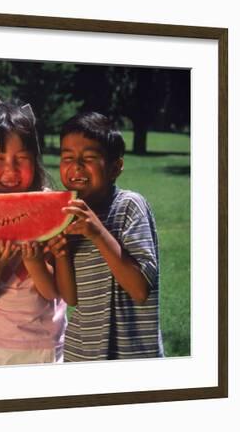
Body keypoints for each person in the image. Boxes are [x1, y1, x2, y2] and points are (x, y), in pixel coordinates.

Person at [46, 111, 164, 361]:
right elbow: (71, 297)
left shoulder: (130, 206)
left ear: (115, 168)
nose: (76, 166)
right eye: (67, 157)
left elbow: (140, 289)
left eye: (88, 158)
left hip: (133, 357)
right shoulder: (68, 214)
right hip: (82, 355)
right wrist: (62, 255)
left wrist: (98, 232)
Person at [0, 99, 68, 366]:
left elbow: (52, 291)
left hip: (42, 346)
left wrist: (34, 262)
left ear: (35, 160)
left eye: (21, 158)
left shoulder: (50, 205)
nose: (10, 170)